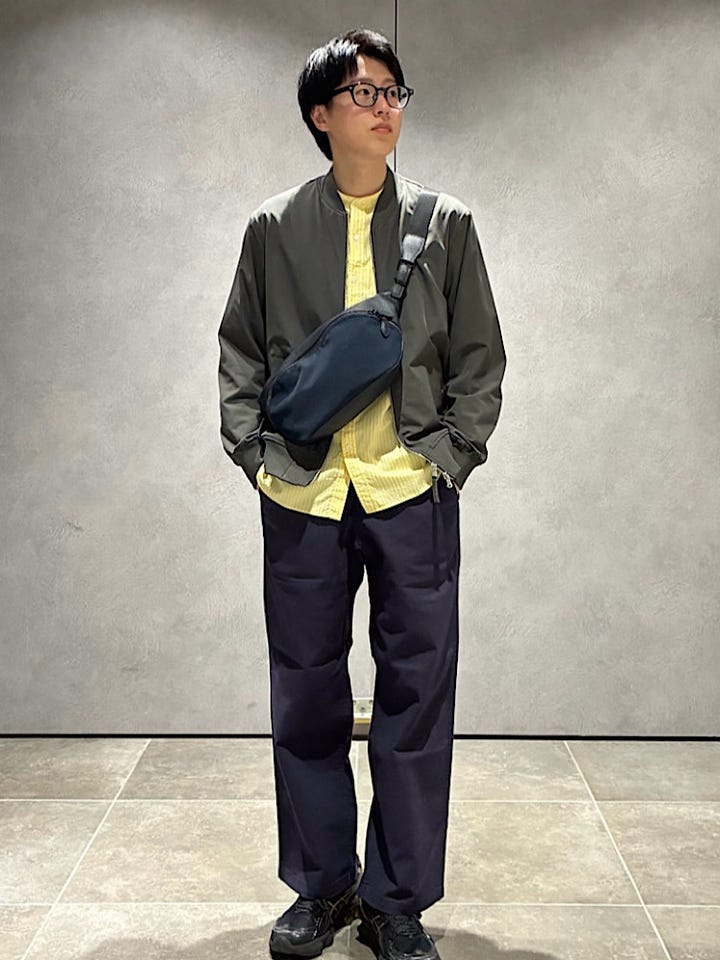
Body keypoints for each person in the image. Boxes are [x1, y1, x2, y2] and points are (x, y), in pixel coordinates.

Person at [217, 26, 506, 960]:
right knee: (304, 694)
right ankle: (321, 886)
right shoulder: (273, 227)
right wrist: (258, 457)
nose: (385, 108)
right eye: (364, 92)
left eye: (394, 92)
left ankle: (397, 899)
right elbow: (240, 352)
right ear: (321, 114)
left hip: (410, 491)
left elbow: (479, 358)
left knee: (416, 697)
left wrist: (450, 457)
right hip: (304, 493)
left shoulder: (447, 224)